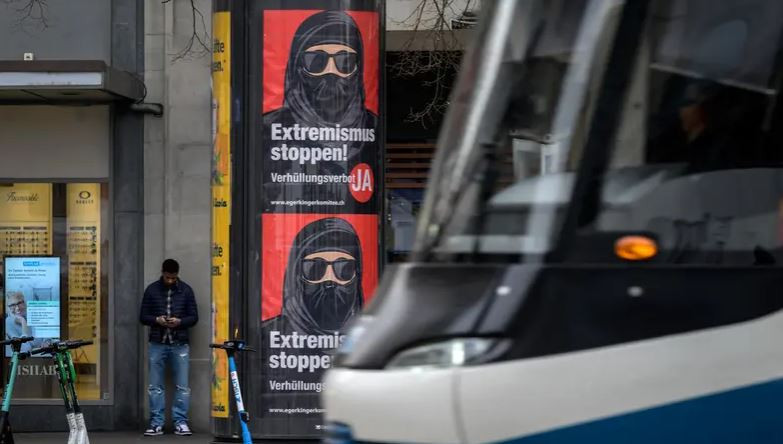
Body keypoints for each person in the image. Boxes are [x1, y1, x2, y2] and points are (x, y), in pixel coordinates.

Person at [139, 259, 198, 436]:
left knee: (182, 386)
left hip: (179, 344)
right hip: (157, 343)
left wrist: (179, 322)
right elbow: (142, 316)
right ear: (162, 273)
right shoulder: (151, 290)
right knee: (155, 386)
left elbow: (194, 317)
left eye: (173, 277)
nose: (170, 281)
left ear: (177, 274)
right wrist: (157, 320)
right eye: (167, 277)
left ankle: (181, 422)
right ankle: (157, 423)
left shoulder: (186, 290)